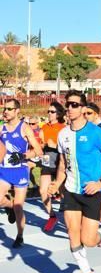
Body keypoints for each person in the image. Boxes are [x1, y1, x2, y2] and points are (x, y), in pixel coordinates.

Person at [48, 90, 101, 273]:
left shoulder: (96, 133)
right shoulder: (63, 134)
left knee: (89, 240)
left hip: (91, 192)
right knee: (73, 236)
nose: (70, 108)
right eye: (68, 105)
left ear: (83, 108)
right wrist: (56, 184)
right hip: (71, 192)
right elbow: (63, 164)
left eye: (74, 105)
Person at [0, 99, 43, 247]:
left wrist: (23, 156)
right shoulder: (2, 128)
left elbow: (39, 151)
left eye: (9, 109)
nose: (6, 111)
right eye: (5, 108)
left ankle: (19, 235)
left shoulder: (24, 128)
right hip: (4, 170)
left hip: (20, 171)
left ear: (17, 111)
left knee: (19, 207)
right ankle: (9, 206)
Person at [39, 101, 66, 232]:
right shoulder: (44, 127)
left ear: (59, 114)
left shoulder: (64, 128)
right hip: (47, 161)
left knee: (64, 193)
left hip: (60, 162)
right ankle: (52, 216)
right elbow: (41, 143)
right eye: (48, 111)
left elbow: (67, 148)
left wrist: (54, 145)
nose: (49, 114)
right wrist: (42, 145)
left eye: (52, 112)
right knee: (42, 191)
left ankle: (71, 217)